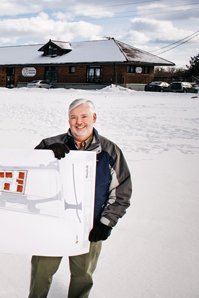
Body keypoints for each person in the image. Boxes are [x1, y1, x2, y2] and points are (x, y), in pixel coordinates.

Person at [28, 98, 132, 298]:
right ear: (68, 120)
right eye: (73, 117)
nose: (79, 122)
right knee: (41, 273)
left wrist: (106, 223)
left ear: (94, 117)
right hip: (52, 225)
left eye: (84, 116)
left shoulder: (110, 151)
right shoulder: (49, 144)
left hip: (89, 228)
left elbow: (121, 192)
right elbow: (28, 178)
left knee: (82, 276)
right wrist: (44, 156)